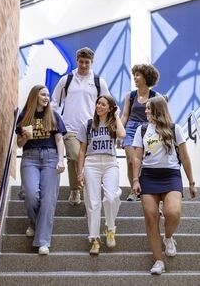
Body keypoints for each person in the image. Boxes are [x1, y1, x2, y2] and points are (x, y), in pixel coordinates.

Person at [131, 96, 197, 275]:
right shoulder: (142, 130)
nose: (145, 112)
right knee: (151, 217)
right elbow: (137, 157)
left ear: (158, 110)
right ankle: (158, 261)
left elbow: (184, 157)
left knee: (172, 213)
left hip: (171, 176)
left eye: (148, 109)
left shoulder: (175, 129)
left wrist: (191, 182)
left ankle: (168, 237)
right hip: (149, 176)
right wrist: (135, 180)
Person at [51, 47, 110, 205]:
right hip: (69, 127)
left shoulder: (98, 82)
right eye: (81, 62)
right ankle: (76, 190)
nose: (84, 65)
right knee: (75, 156)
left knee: (87, 160)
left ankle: (86, 192)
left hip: (92, 129)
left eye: (87, 62)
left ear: (92, 63)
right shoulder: (67, 80)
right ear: (77, 61)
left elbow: (107, 103)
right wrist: (52, 121)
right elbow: (55, 102)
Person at [16, 85, 67, 255]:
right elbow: (19, 144)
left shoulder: (53, 116)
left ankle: (43, 241)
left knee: (48, 199)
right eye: (43, 95)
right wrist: (23, 137)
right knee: (30, 194)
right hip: (30, 157)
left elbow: (60, 141)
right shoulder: (24, 116)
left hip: (51, 158)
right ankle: (35, 222)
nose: (46, 98)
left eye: (48, 95)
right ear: (35, 96)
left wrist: (61, 160)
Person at [76, 95, 126, 255]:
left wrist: (117, 116)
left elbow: (122, 135)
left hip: (111, 162)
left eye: (103, 104)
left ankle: (110, 228)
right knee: (93, 203)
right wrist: (80, 173)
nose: (99, 106)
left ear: (110, 108)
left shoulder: (113, 124)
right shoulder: (88, 124)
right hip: (91, 163)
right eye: (98, 103)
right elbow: (82, 150)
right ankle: (95, 239)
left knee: (111, 197)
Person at [120, 64, 160, 201]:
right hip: (130, 128)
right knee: (131, 160)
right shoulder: (130, 96)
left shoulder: (155, 96)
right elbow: (125, 115)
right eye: (134, 75)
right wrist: (119, 134)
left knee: (144, 161)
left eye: (138, 75)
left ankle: (146, 190)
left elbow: (161, 116)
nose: (135, 78)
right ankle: (133, 191)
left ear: (146, 77)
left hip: (147, 129)